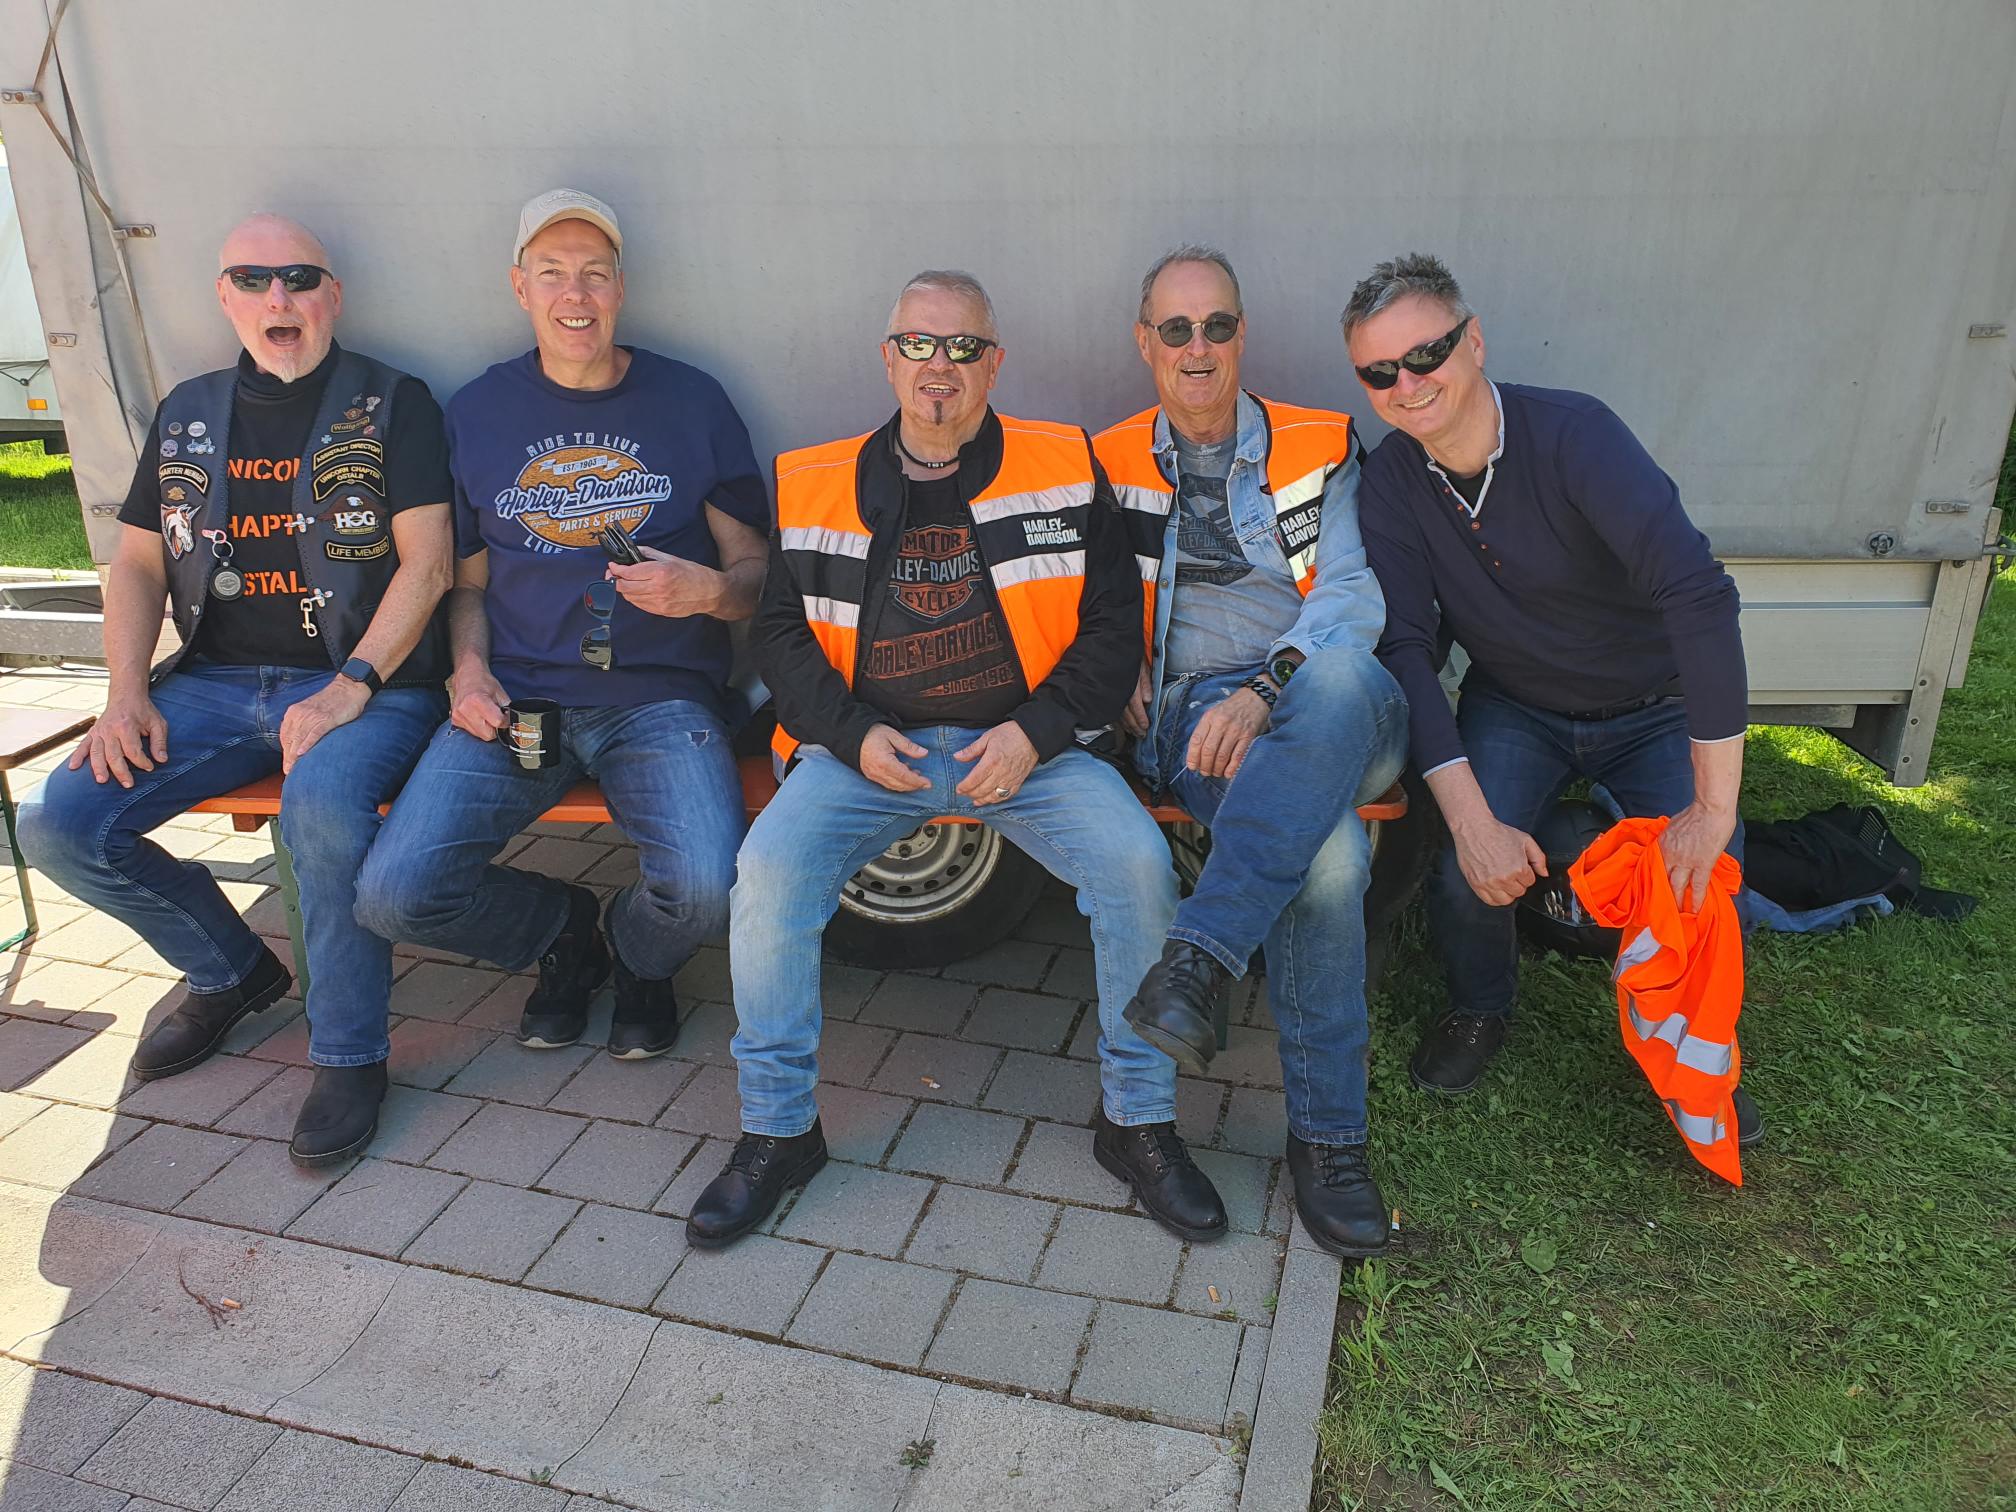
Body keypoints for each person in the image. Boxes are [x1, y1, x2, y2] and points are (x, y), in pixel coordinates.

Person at [686, 270, 1227, 1249]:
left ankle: (1137, 1122)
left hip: (1029, 749)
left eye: (964, 346)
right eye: (919, 343)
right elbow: (780, 638)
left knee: (1138, 865)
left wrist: (1034, 734)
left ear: (994, 362)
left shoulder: (1060, 465)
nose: (940, 365)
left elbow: (1113, 630)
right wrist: (851, 736)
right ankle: (778, 1132)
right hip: (865, 752)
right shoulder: (812, 479)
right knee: (765, 874)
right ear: (888, 357)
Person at [19, 213, 453, 1165]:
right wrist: (124, 692)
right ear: (225, 298)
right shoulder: (189, 411)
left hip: (367, 684)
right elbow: (137, 564)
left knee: (321, 810)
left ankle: (348, 1055)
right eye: (252, 279)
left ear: (332, 296)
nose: (277, 297)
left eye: (300, 277)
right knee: (57, 822)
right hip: (214, 682)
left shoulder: (394, 402)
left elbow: (429, 565)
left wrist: (351, 684)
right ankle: (229, 970)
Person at [1346, 252, 1759, 1142]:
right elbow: (1407, 648)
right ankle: (1480, 1006)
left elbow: (1698, 595)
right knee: (1466, 872)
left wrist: (1714, 807)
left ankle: (1697, 1054)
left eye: (1426, 354)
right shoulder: (1391, 480)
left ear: (1474, 340)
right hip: (1518, 703)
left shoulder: (1576, 435)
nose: (1407, 384)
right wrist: (1469, 823)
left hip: (1653, 703)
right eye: (1379, 372)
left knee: (1706, 877)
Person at [354, 189, 768, 1060]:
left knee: (709, 889)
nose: (574, 295)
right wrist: (469, 673)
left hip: (660, 700)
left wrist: (706, 592)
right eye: (551, 274)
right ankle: (562, 932)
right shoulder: (478, 412)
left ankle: (640, 956)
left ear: (621, 288)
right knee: (394, 895)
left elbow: (757, 578)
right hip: (519, 699)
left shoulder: (691, 400)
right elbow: (467, 585)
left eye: (593, 274)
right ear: (520, 288)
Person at [1094, 247, 1408, 1258]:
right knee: (1331, 858)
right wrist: (1112, 665)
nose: (1199, 348)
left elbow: (1351, 596)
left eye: (1218, 326)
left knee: (1343, 677)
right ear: (1145, 342)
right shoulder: (1106, 459)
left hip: (1319, 695)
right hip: (1192, 714)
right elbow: (1070, 596)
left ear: (1242, 335)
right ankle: (1330, 1141)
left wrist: (1269, 687)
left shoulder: (1319, 442)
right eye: (1176, 329)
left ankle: (1199, 955)